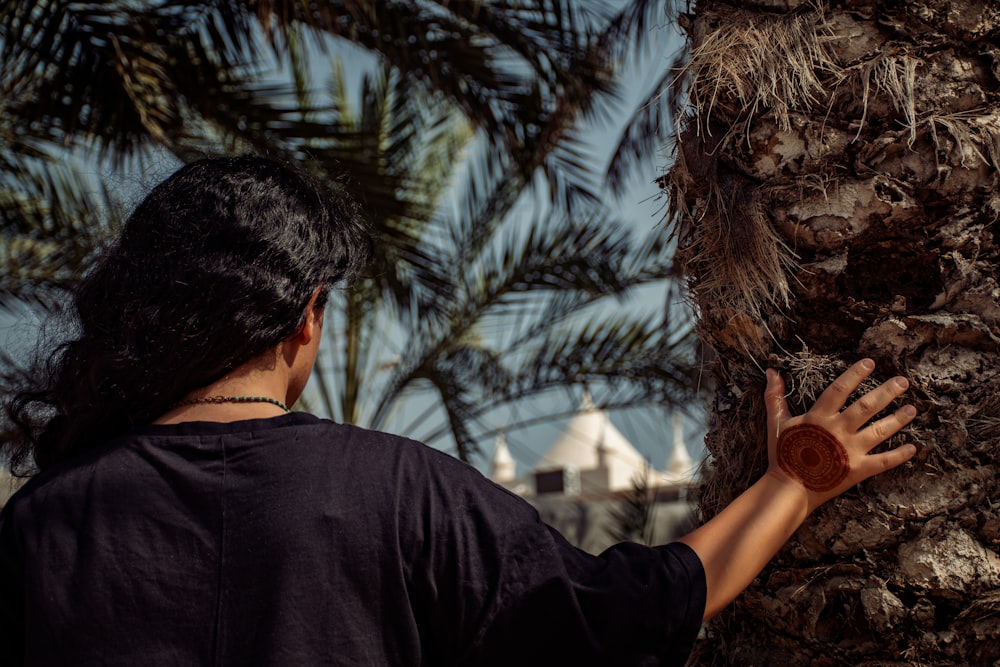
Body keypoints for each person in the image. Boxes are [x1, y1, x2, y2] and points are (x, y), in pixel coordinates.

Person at [0, 156, 917, 666]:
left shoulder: (39, 526)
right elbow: (632, 610)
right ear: (307, 316)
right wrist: (796, 481)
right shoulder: (399, 493)